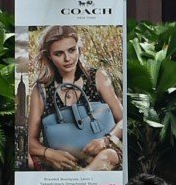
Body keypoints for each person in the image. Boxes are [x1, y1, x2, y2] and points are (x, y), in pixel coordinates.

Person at [26, 25, 126, 172]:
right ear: (49, 56)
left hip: (101, 155)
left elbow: (123, 120)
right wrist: (51, 154)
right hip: (63, 161)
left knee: (109, 155)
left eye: (72, 50)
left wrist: (106, 140)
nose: (67, 58)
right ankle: (83, 176)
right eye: (59, 54)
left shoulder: (97, 77)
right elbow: (30, 140)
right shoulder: (42, 89)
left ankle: (83, 176)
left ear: (79, 49)